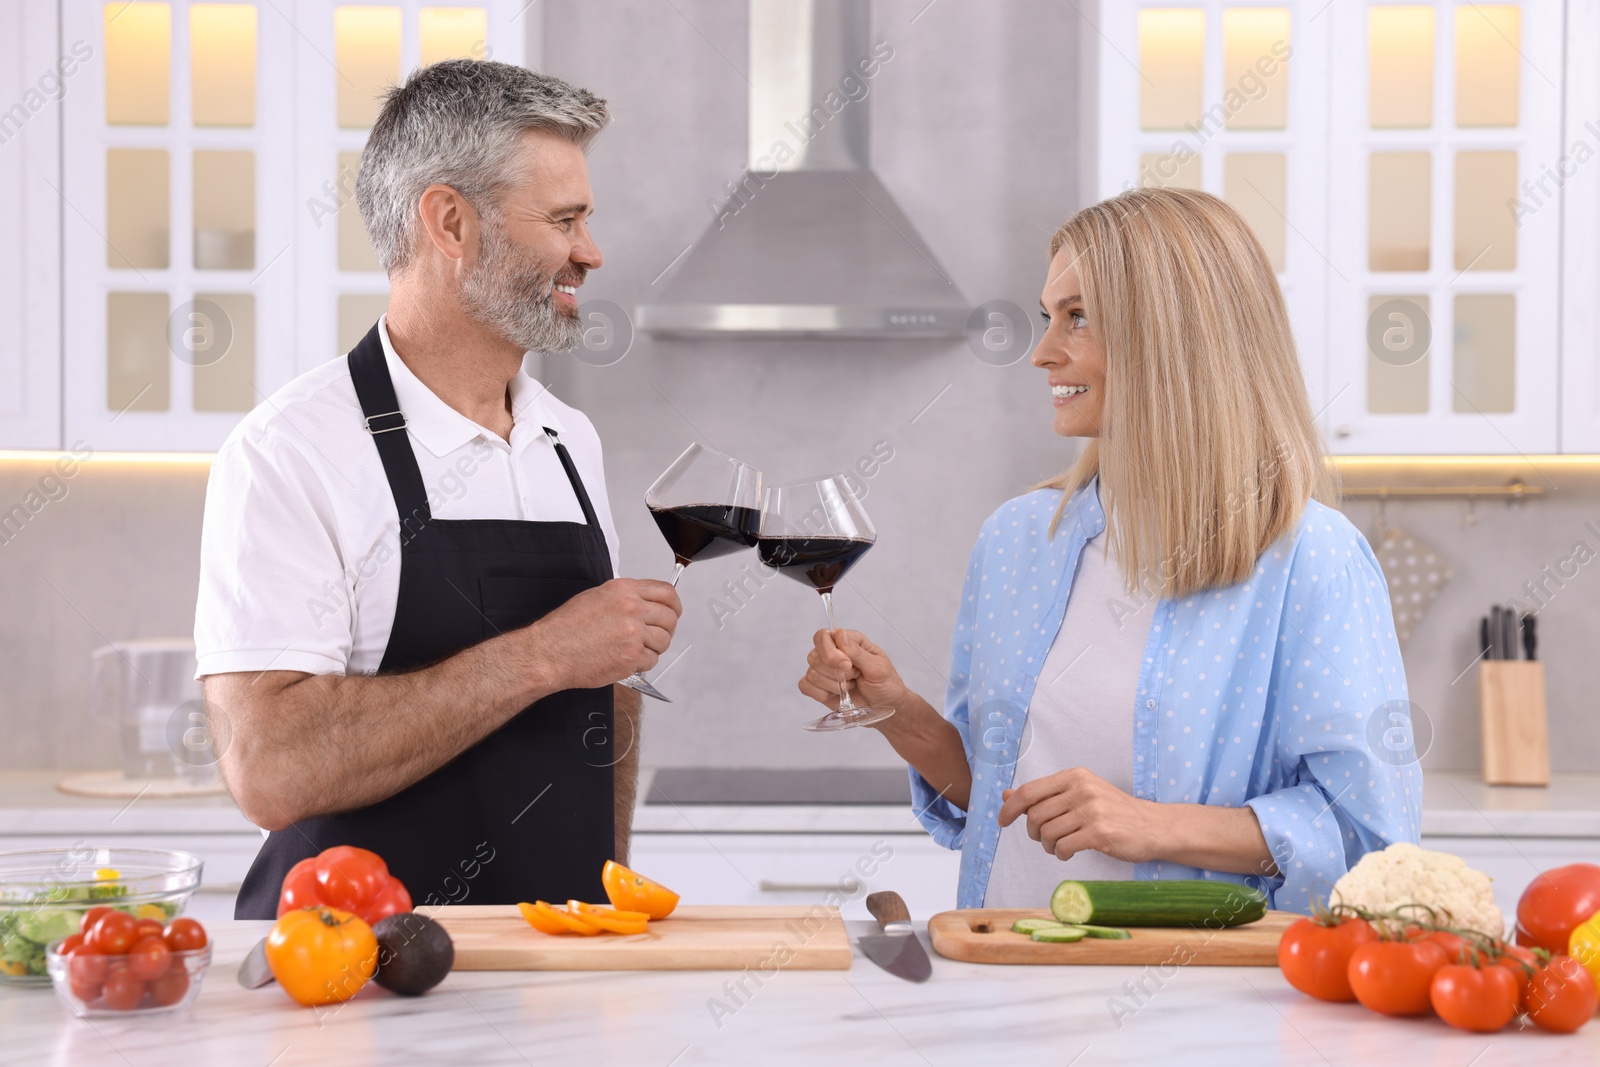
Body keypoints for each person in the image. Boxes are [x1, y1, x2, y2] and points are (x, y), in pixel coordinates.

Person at [797, 188, 1421, 913]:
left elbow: (1368, 838)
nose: (1042, 352)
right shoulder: (1017, 539)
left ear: (1178, 336)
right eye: (1048, 316)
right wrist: (895, 711)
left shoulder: (1310, 558)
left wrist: (1154, 826)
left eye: (1079, 318)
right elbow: (995, 794)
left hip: (1187, 1005)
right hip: (1000, 983)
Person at [195, 61, 683, 918]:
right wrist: (541, 654)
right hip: (354, 984)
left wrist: (609, 888)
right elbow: (269, 770)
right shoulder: (292, 450)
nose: (590, 253)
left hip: (553, 962)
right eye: (564, 221)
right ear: (450, 222)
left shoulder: (569, 439)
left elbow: (606, 690)